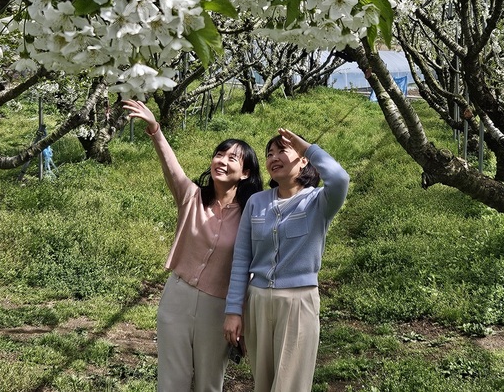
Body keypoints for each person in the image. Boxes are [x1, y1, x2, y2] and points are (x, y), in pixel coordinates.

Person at [123, 99, 263, 392]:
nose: (221, 161)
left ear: (246, 172)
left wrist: (241, 314)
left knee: (209, 382)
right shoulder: (192, 198)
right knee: (172, 379)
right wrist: (155, 129)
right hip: (178, 295)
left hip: (219, 306)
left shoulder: (252, 214)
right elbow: (171, 166)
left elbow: (252, 266)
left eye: (232, 159)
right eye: (219, 154)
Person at [223, 128, 350, 392]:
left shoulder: (318, 201)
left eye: (283, 150)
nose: (274, 158)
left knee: (289, 385)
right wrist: (234, 310)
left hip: (298, 301)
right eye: (269, 153)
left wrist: (307, 148)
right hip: (257, 301)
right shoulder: (256, 203)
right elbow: (241, 259)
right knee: (263, 383)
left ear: (304, 160)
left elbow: (339, 178)